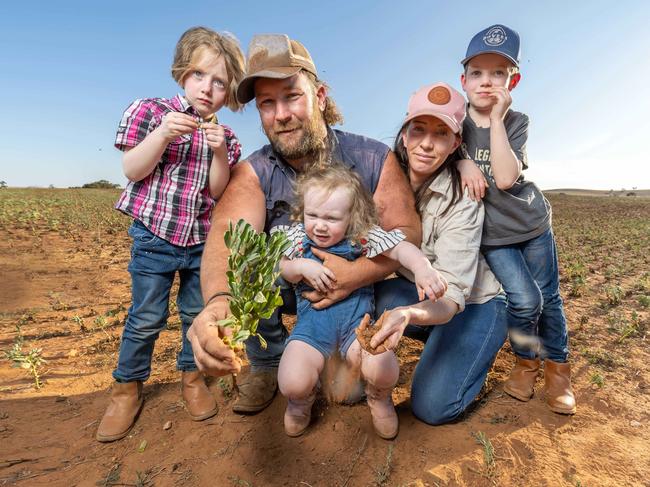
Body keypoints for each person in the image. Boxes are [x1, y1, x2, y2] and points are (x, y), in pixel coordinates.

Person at [187, 34, 421, 416]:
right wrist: (218, 304)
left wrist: (354, 274)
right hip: (292, 287)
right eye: (267, 103)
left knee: (348, 391)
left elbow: (407, 232)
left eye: (292, 96)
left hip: (361, 294)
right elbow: (227, 240)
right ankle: (267, 361)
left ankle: (347, 348)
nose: (281, 114)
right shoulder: (253, 170)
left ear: (321, 96)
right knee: (254, 260)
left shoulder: (372, 157)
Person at [96, 27, 246, 442]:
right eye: (200, 75)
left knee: (194, 315)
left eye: (220, 83)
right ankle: (126, 388)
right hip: (154, 237)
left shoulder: (226, 137)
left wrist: (218, 152)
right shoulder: (150, 111)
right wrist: (162, 133)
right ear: (183, 74)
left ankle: (192, 380)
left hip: (200, 241)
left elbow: (217, 191)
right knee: (145, 318)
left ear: (228, 92)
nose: (208, 88)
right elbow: (131, 170)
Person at [272, 165, 446, 438]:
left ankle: (378, 396)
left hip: (358, 329)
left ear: (352, 216)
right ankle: (300, 401)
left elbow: (401, 249)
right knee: (292, 380)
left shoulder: (362, 237)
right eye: (312, 214)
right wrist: (303, 267)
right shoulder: (297, 239)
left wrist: (423, 268)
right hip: (312, 331)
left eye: (331, 218)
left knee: (383, 366)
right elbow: (283, 266)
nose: (319, 225)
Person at [372, 82, 508, 425]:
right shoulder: (382, 177)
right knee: (371, 296)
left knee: (432, 408)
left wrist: (407, 315)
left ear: (455, 143)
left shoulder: (463, 197)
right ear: (404, 134)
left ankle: (471, 352)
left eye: (441, 134)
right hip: (420, 291)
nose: (427, 144)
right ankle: (438, 339)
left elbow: (450, 297)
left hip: (471, 303)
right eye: (418, 131)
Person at [456, 24, 576, 414]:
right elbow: (434, 147)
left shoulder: (516, 120)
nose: (486, 82)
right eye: (477, 72)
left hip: (532, 225)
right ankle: (526, 364)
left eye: (498, 74)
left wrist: (496, 120)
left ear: (514, 80)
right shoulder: (455, 124)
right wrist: (461, 163)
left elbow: (506, 178)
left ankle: (558, 372)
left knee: (551, 300)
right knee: (525, 301)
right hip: (494, 236)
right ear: (464, 79)